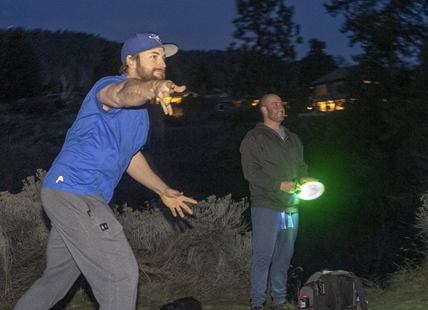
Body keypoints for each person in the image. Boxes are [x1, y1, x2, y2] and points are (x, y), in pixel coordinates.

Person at [13, 32, 197, 310]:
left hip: (78, 195)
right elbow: (122, 95)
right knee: (120, 274)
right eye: (154, 56)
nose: (162, 63)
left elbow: (131, 157)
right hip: (75, 191)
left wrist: (163, 190)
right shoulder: (109, 87)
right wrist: (153, 89)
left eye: (163, 57)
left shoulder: (141, 117)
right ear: (130, 60)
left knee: (56, 280)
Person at [240, 94, 317, 310]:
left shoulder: (293, 138)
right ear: (264, 110)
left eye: (282, 103)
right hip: (267, 205)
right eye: (275, 104)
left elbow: (301, 167)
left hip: (291, 207)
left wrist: (305, 179)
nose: (281, 107)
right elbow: (251, 172)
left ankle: (279, 301)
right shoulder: (254, 138)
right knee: (263, 256)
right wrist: (278, 184)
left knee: (284, 256)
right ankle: (257, 304)